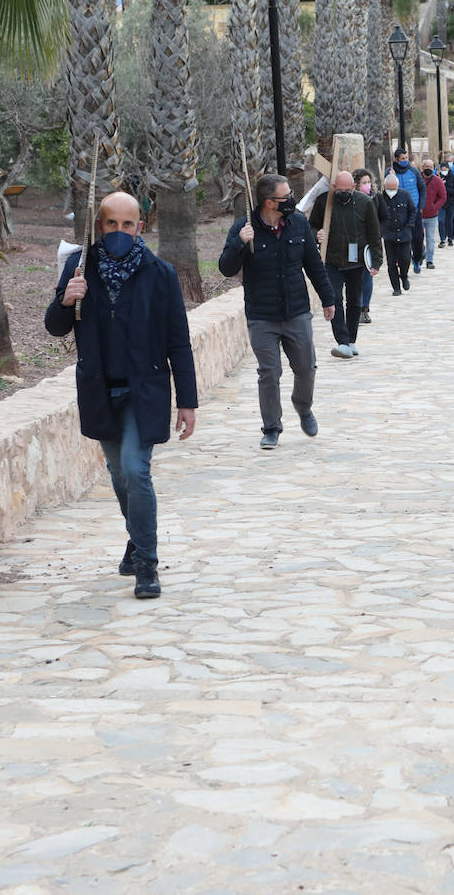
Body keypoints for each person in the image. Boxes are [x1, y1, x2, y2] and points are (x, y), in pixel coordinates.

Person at [46, 191, 198, 599]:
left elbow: (178, 343)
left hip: (143, 391)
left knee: (135, 469)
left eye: (126, 224)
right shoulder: (80, 269)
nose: (118, 231)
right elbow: (55, 327)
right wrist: (66, 298)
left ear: (140, 228)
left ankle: (146, 564)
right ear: (99, 227)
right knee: (117, 474)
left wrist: (187, 402)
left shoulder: (160, 274)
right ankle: (137, 536)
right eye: (110, 224)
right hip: (100, 389)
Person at [219, 173, 337, 452]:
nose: (292, 201)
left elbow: (313, 264)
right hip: (261, 316)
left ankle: (303, 407)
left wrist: (328, 298)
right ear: (270, 202)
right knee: (269, 373)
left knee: (306, 368)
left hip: (296, 312)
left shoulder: (298, 224)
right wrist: (239, 242)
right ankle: (271, 428)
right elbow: (225, 268)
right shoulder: (243, 228)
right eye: (286, 197)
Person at [310, 170, 384, 358]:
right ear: (334, 187)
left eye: (347, 190)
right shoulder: (324, 202)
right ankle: (341, 341)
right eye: (339, 189)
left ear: (353, 187)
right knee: (334, 299)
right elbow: (311, 226)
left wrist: (376, 261)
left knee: (354, 301)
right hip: (332, 260)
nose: (343, 193)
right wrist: (316, 235)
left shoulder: (365, 203)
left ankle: (351, 340)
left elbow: (374, 233)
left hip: (356, 261)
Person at [377, 172, 417, 295]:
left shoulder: (405, 195)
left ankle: (404, 276)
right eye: (389, 189)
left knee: (405, 259)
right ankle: (396, 288)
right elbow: (376, 216)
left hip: (404, 233)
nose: (391, 191)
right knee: (391, 262)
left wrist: (409, 226)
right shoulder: (379, 198)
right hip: (389, 235)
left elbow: (412, 211)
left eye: (393, 188)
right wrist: (381, 230)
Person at [390, 148, 426, 273]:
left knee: (418, 238)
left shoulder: (414, 171)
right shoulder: (390, 173)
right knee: (403, 240)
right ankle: (404, 263)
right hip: (399, 213)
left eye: (406, 158)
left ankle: (417, 259)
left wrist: (421, 206)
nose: (405, 161)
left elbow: (422, 188)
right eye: (402, 159)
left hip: (415, 212)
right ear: (396, 159)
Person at [353, 168, 377, 324]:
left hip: (368, 245)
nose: (367, 185)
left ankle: (364, 309)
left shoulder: (375, 199)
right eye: (364, 183)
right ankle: (354, 307)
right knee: (354, 277)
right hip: (352, 244)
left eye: (368, 182)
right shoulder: (350, 200)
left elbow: (382, 218)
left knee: (367, 276)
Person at [420, 157, 447, 269]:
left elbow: (443, 197)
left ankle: (429, 260)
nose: (429, 169)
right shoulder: (418, 179)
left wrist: (434, 207)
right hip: (419, 215)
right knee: (418, 238)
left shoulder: (437, 181)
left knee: (430, 238)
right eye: (427, 166)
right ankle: (419, 255)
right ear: (422, 167)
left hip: (432, 216)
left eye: (431, 167)